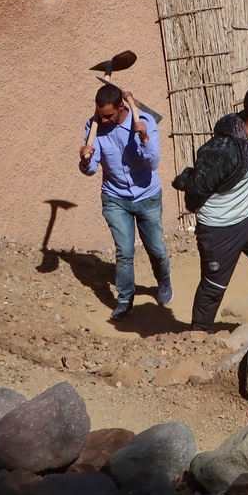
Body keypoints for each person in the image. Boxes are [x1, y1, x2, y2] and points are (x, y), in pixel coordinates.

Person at [172, 82, 248, 332]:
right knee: (214, 287)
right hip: (220, 229)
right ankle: (198, 338)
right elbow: (195, 192)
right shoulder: (224, 151)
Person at [79, 83, 173, 321]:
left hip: (147, 196)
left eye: (108, 115)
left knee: (155, 248)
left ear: (122, 106)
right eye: (100, 114)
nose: (104, 119)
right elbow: (90, 170)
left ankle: (163, 281)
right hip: (115, 197)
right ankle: (124, 299)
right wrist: (85, 159)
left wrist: (143, 137)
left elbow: (152, 164)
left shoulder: (145, 122)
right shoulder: (94, 127)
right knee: (124, 251)